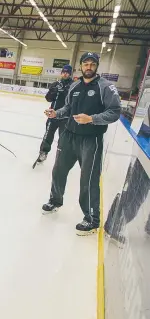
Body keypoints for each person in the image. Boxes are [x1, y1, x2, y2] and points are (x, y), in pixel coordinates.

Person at [42, 52, 121, 235]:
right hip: (68, 136)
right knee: (58, 171)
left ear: (97, 66)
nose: (89, 67)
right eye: (86, 63)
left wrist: (92, 119)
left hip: (90, 140)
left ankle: (92, 219)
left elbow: (115, 112)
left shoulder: (106, 87)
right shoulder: (75, 85)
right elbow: (69, 108)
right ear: (81, 66)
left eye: (92, 64)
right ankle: (55, 200)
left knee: (89, 180)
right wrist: (57, 113)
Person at [35, 65, 73, 166]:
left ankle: (62, 156)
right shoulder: (55, 84)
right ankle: (43, 153)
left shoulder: (74, 85)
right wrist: (53, 91)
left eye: (67, 72)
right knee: (48, 136)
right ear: (61, 73)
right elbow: (48, 98)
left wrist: (64, 92)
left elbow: (73, 100)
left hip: (65, 117)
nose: (65, 74)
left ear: (70, 73)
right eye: (63, 72)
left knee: (63, 139)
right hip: (52, 116)